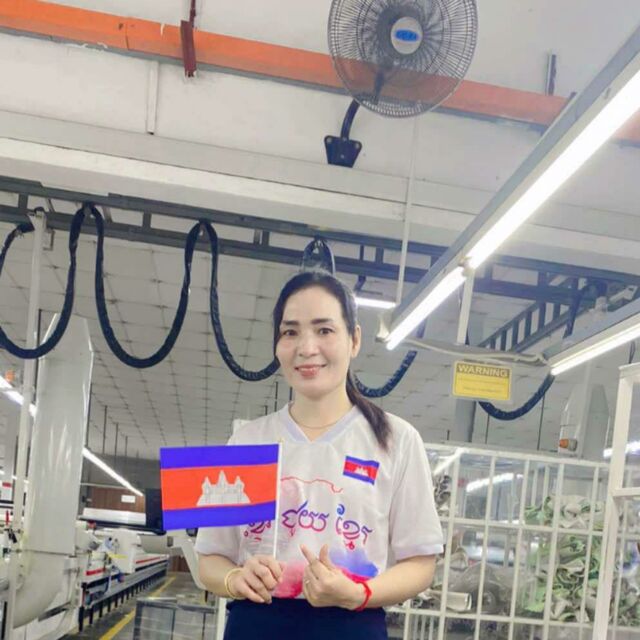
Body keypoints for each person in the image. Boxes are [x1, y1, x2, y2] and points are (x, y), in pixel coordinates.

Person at [196, 271, 443, 639]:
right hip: (257, 624)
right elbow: (210, 558)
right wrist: (235, 577)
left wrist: (358, 594)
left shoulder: (397, 440)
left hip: (352, 623)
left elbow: (421, 563)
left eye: (324, 330)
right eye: (290, 332)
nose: (306, 347)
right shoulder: (247, 442)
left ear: (354, 339)